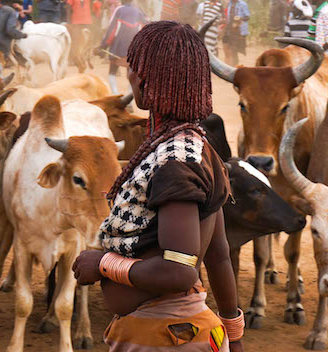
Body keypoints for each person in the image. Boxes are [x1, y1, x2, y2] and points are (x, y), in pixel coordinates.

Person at [73, 20, 244, 352]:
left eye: (134, 68)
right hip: (180, 330)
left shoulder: (174, 162)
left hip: (166, 336)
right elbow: (219, 255)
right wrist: (233, 336)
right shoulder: (198, 148)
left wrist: (103, 264)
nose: (129, 75)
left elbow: (178, 271)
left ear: (146, 79)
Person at [97, 0, 146, 95]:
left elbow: (112, 29)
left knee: (112, 72)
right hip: (133, 48)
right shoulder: (138, 11)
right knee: (131, 74)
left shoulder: (119, 10)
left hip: (118, 47)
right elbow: (145, 27)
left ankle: (116, 95)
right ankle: (130, 97)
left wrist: (103, 45)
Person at [67, 0, 92, 71]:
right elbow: (68, 7)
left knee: (86, 42)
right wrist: (69, 21)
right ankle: (73, 59)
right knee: (75, 42)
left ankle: (84, 59)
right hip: (75, 22)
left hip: (87, 21)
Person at [222, 0, 249, 66]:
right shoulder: (229, 4)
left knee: (234, 50)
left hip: (238, 31)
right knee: (228, 49)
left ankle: (233, 67)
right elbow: (226, 17)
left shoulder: (242, 4)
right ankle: (229, 67)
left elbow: (247, 17)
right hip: (228, 29)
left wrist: (239, 19)